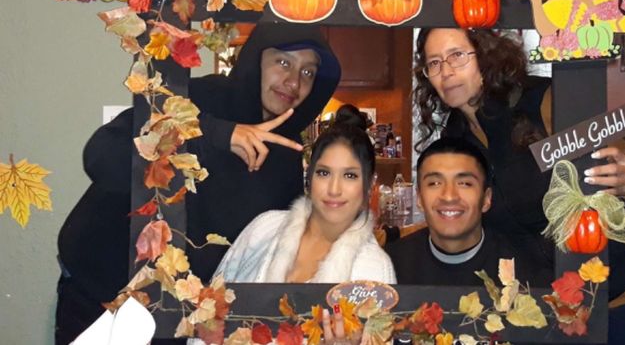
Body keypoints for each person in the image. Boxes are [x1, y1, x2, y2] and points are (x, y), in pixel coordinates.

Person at [55, 23, 342, 344]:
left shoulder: (285, 152)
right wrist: (218, 135)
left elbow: (270, 246)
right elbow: (101, 157)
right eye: (284, 62)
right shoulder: (197, 97)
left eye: (308, 72)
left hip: (180, 321)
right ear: (255, 60)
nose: (294, 82)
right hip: (102, 298)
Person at [412, 27, 625, 343]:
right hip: (560, 304)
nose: (446, 71)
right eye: (434, 63)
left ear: (484, 56)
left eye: (457, 55)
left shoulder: (546, 100)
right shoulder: (456, 139)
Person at [214, 109, 396, 284]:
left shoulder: (374, 268)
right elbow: (212, 297)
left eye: (350, 175)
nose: (334, 189)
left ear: (369, 185)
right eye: (324, 173)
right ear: (309, 176)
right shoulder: (264, 227)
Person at [386, 137, 553, 287]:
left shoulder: (527, 274)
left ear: (486, 199)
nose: (449, 196)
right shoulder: (390, 267)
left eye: (464, 183)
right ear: (419, 199)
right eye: (435, 183)